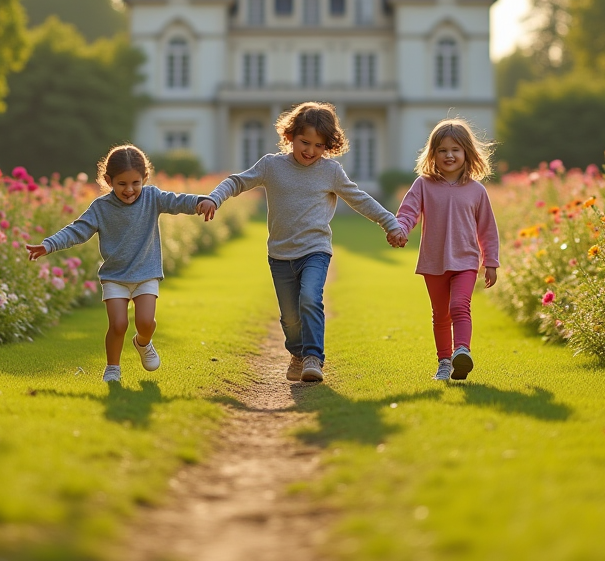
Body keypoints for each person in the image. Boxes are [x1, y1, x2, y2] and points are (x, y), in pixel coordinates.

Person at [197, 102, 405, 383]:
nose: (310, 151)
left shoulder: (330, 171)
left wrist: (390, 223)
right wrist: (214, 197)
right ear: (290, 136)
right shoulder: (271, 166)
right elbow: (237, 181)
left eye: (319, 145)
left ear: (328, 146)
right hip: (280, 254)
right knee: (290, 318)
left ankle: (313, 357)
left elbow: (360, 199)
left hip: (315, 251)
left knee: (310, 298)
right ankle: (297, 353)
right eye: (304, 142)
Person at [26, 145, 206, 383]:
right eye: (122, 184)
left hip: (146, 273)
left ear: (145, 178)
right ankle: (113, 368)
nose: (129, 190)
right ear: (109, 180)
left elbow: (177, 201)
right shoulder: (101, 208)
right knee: (118, 324)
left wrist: (201, 202)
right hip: (115, 276)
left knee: (145, 323)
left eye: (135, 183)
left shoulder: (152, 198)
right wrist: (49, 244)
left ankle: (142, 343)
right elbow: (78, 230)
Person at [393, 118, 499, 381]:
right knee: (440, 314)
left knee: (460, 306)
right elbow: (407, 213)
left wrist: (491, 262)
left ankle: (462, 352)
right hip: (434, 262)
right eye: (442, 150)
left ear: (466, 153)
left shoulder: (476, 191)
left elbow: (487, 229)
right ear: (433, 154)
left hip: (465, 261)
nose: (449, 155)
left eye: (455, 150)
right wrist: (400, 231)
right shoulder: (423, 185)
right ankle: (444, 362)